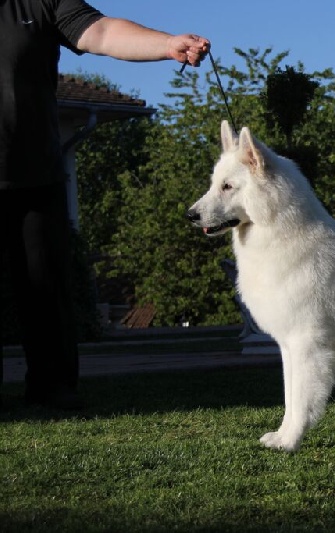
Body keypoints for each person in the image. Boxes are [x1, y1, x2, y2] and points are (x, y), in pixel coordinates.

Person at [0, 0, 210, 409]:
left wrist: (167, 43)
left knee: (46, 294)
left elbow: (101, 32)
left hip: (34, 176)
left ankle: (53, 394)